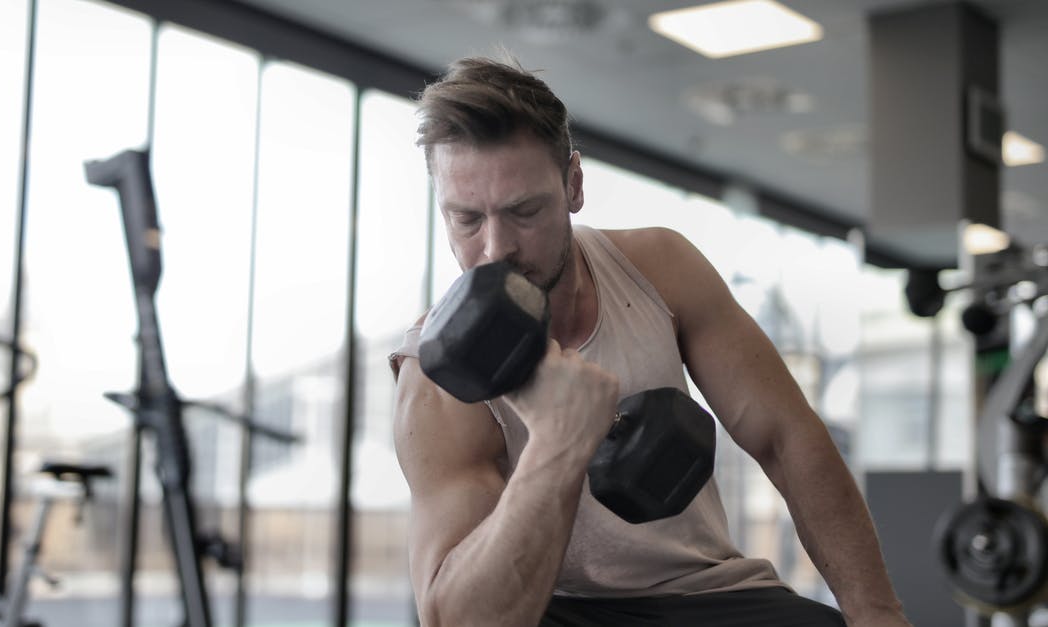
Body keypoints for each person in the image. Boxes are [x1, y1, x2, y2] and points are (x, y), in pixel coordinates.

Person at [388, 55, 911, 627]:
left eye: (524, 211)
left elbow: (786, 438)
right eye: (467, 219)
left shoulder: (659, 269)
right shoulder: (436, 377)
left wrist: (877, 614)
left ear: (573, 184)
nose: (496, 249)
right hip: (554, 609)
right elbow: (459, 619)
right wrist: (557, 443)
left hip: (704, 594)